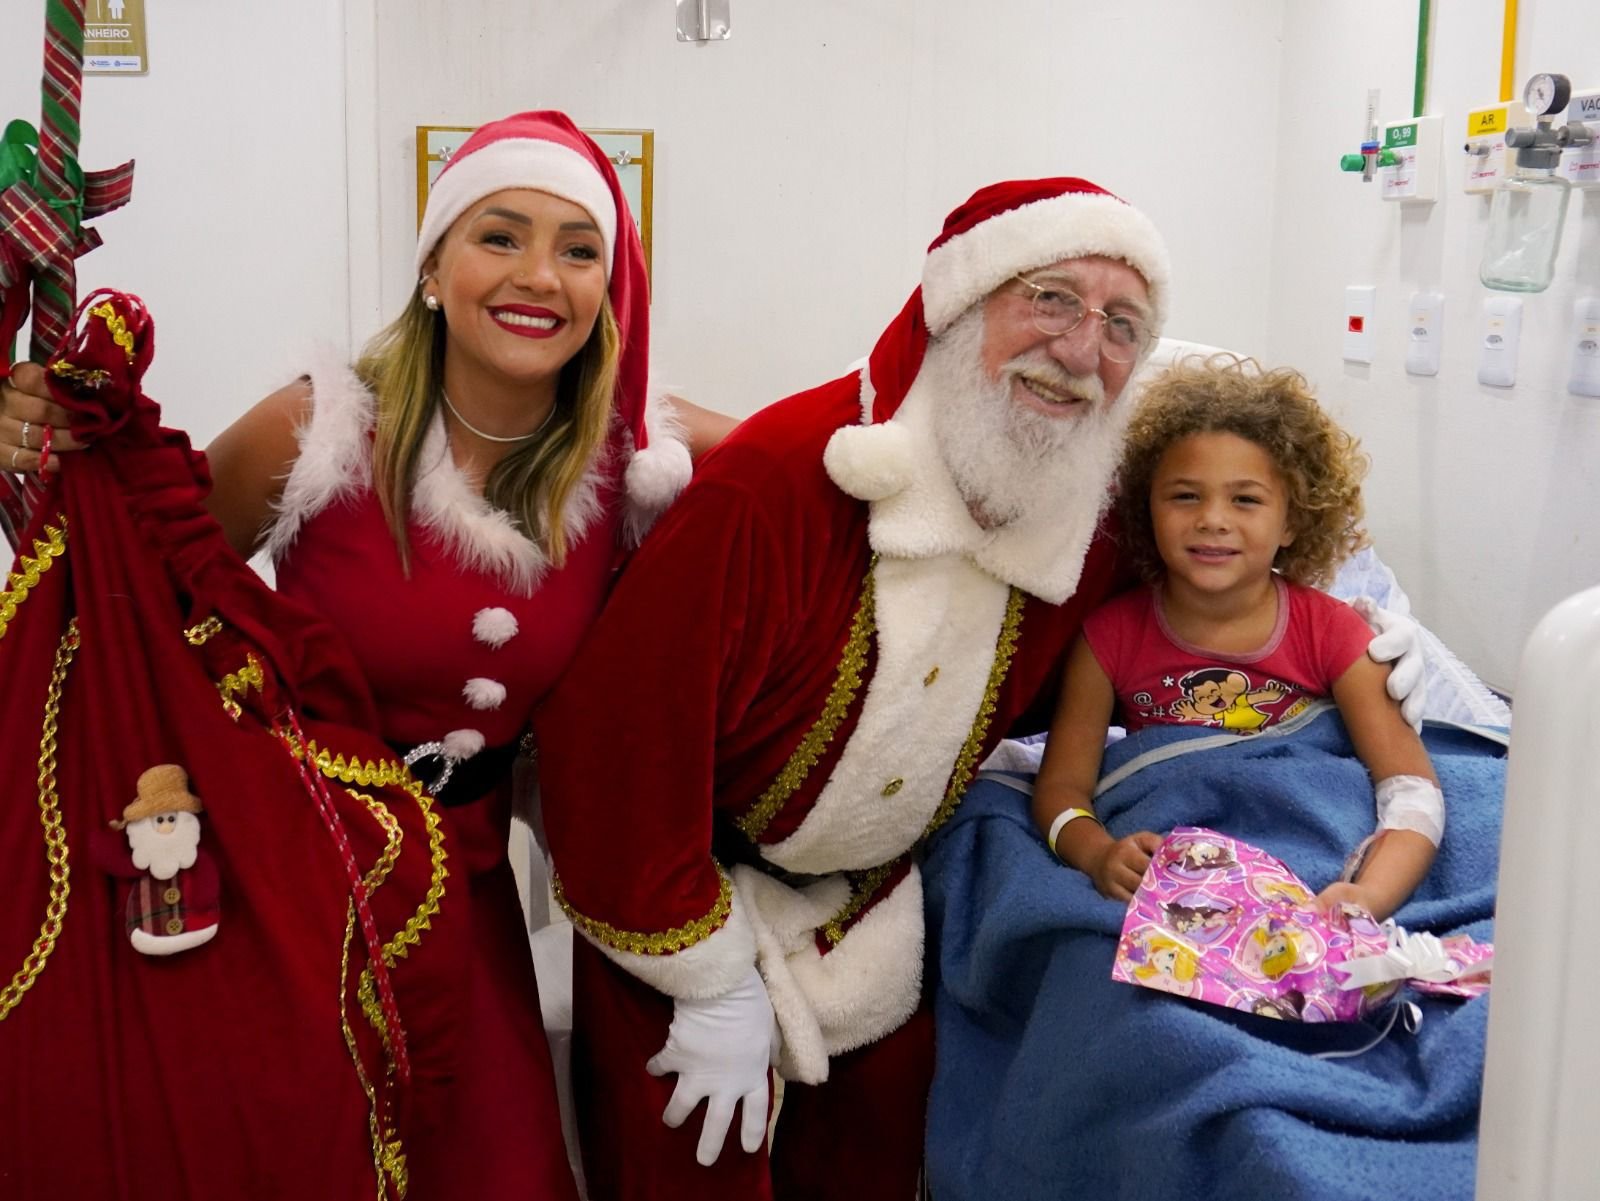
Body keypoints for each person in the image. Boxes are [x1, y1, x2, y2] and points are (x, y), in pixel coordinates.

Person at [533, 179, 1428, 1200]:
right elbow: (613, 745)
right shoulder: (777, 483)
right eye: (1049, 298)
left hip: (867, 916)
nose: (1082, 349)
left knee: (876, 1166)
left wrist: (1353, 622)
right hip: (680, 909)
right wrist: (704, 978)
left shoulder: (1082, 523)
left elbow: (1206, 587)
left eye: (1121, 325)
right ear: (958, 304)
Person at [0, 109, 729, 1197]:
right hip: (295, 878)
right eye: (500, 234)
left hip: (471, 892)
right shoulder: (323, 430)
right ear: (433, 267)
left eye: (580, 249)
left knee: (503, 1169)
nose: (540, 274)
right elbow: (140, 586)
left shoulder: (637, 461)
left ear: (608, 290)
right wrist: (44, 436)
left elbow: (824, 469)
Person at [1032, 357, 1443, 922]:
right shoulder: (1107, 639)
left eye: (1245, 499)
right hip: (1179, 879)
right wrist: (1100, 855)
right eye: (1184, 496)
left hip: (1315, 856)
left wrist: (1368, 897)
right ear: (1144, 509)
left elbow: (1412, 793)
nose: (1213, 520)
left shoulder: (1337, 633)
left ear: (1293, 521)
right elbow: (1059, 792)